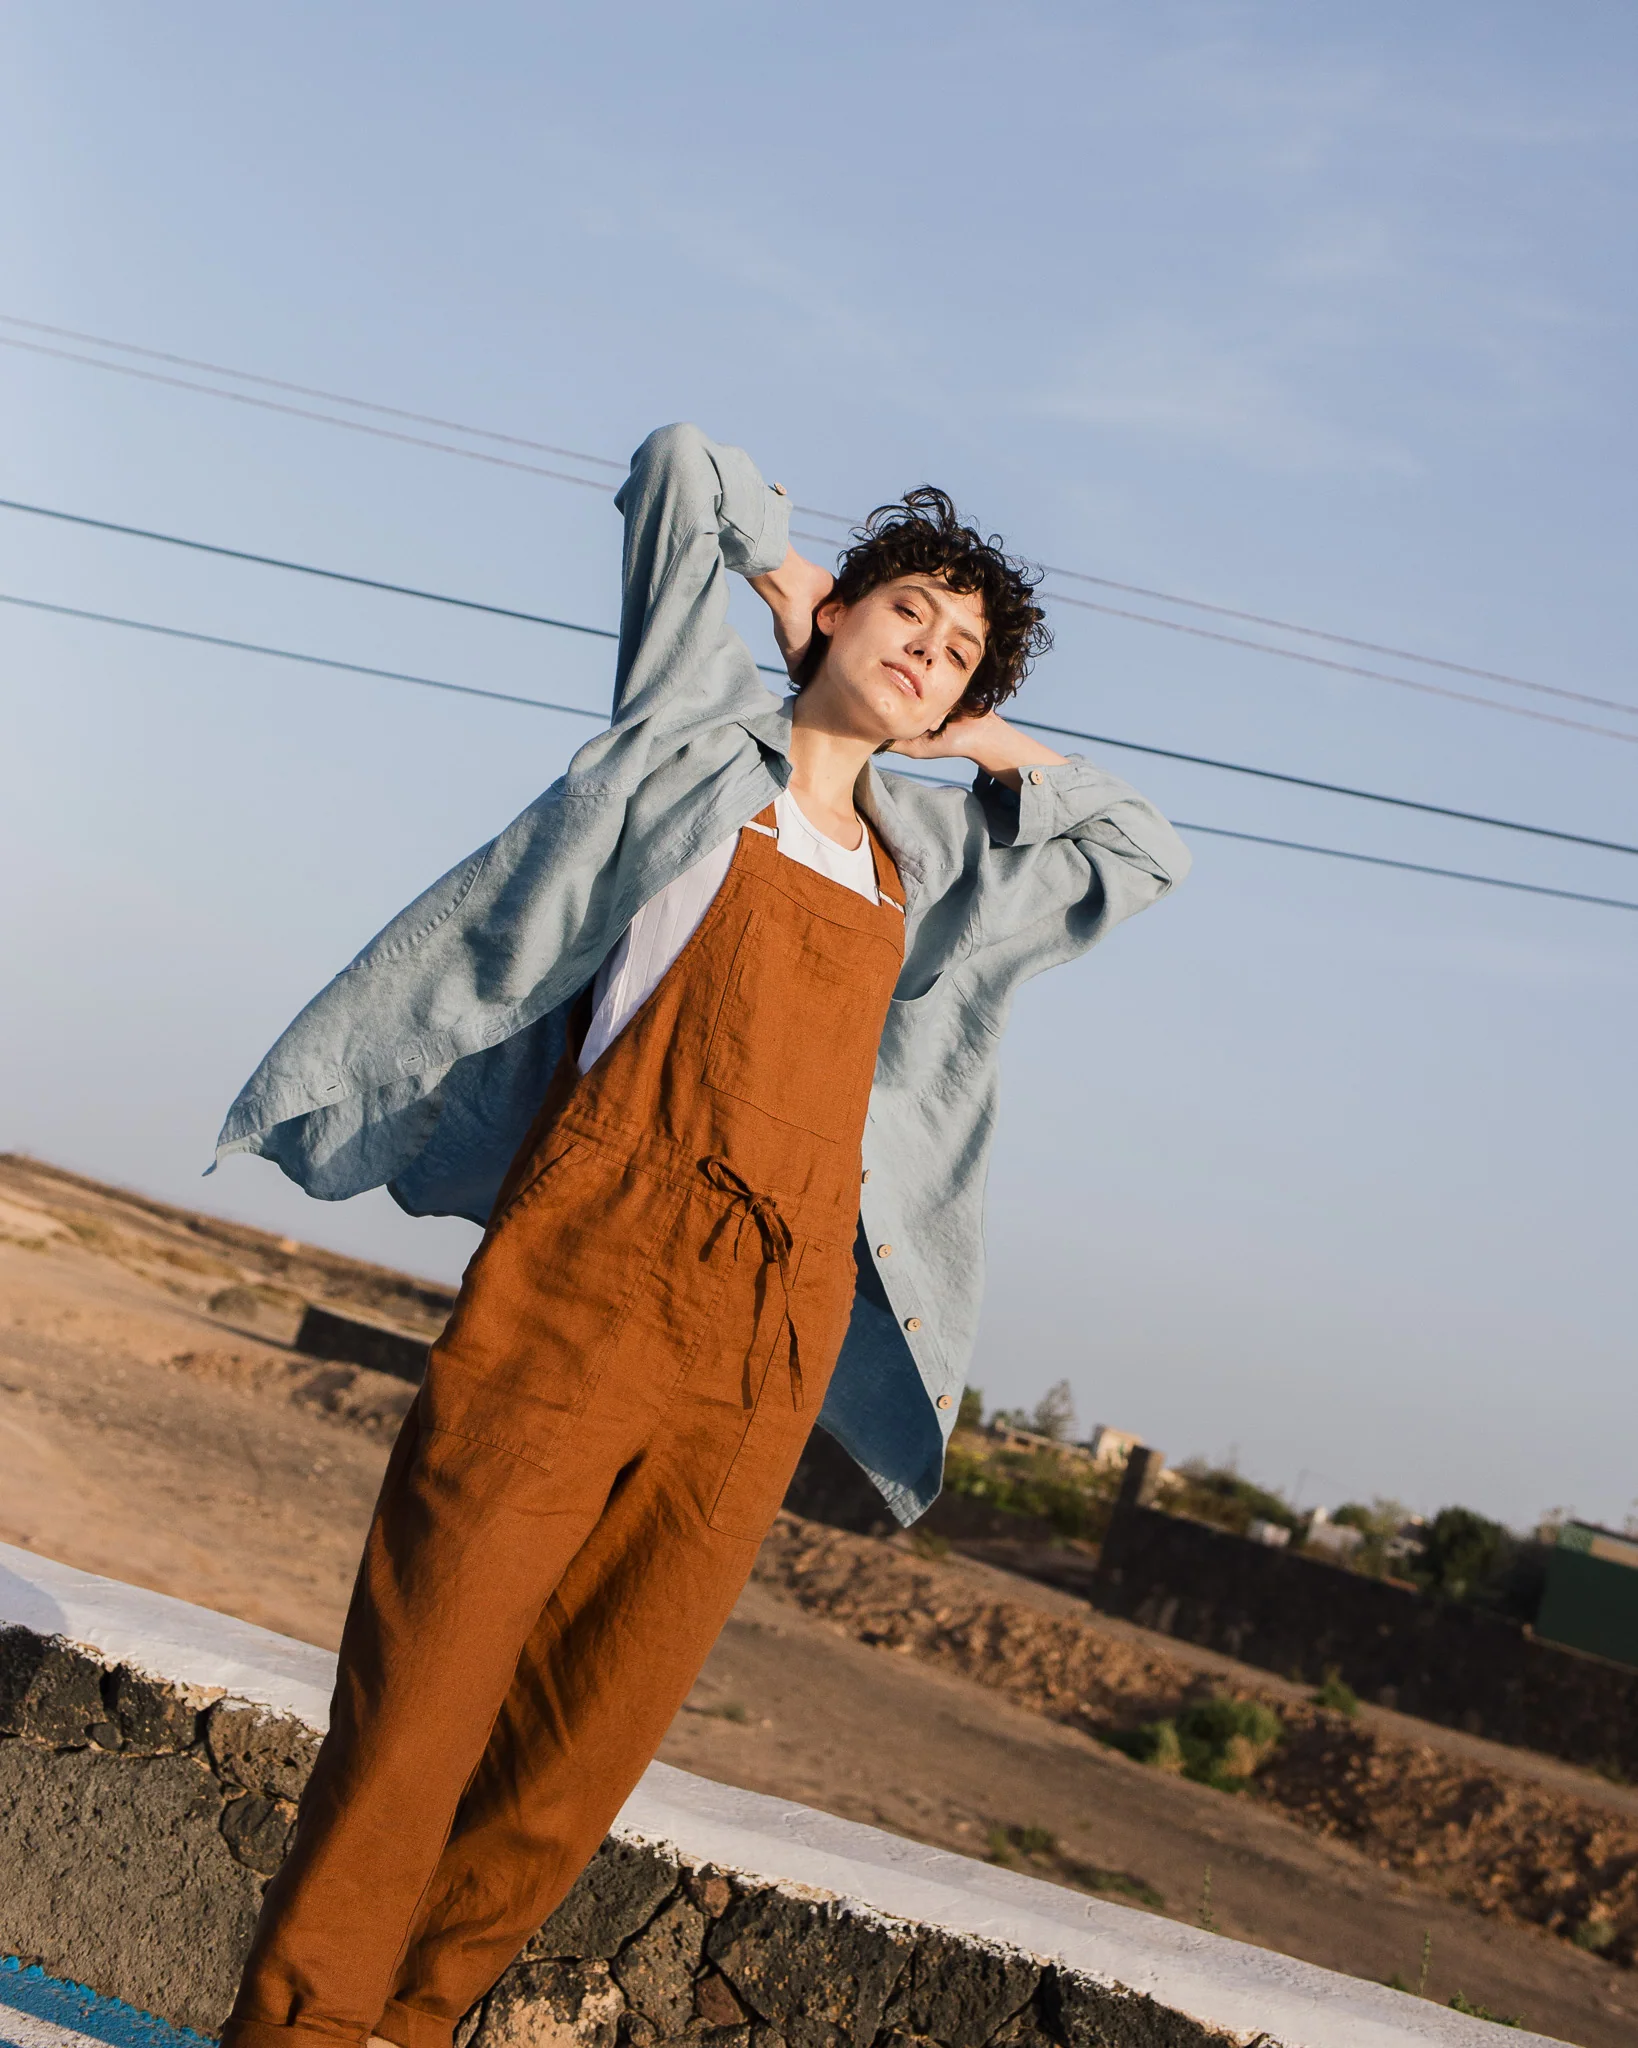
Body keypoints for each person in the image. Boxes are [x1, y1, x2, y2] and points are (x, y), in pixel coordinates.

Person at [214, 423, 1190, 2048]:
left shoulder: (926, 863)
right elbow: (680, 469)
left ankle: (413, 2026)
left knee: (577, 1745)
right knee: (424, 1698)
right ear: (838, 620)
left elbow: (1141, 857)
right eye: (906, 618)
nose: (922, 654)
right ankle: (300, 2032)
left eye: (952, 654)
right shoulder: (685, 734)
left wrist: (987, 744)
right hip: (587, 1263)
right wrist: (790, 580)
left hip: (771, 1328)